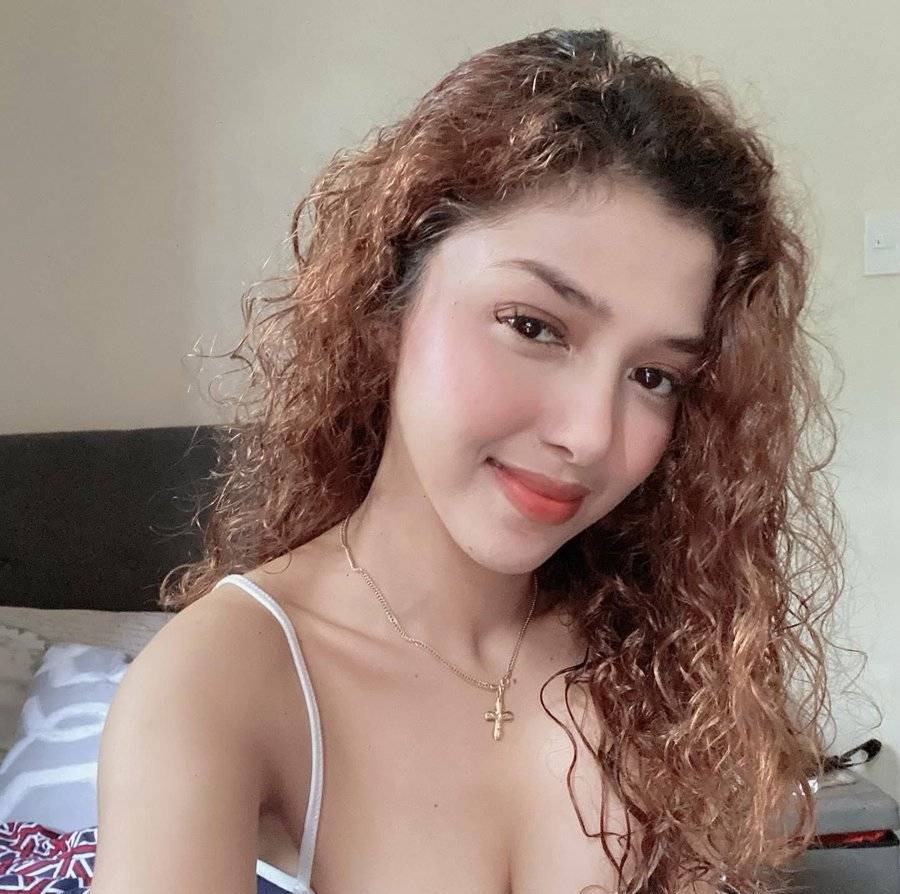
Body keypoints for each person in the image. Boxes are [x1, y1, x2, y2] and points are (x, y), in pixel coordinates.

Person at [88, 26, 845, 894]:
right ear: (386, 310)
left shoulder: (658, 664)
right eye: (534, 326)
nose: (590, 436)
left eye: (654, 377)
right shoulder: (222, 681)